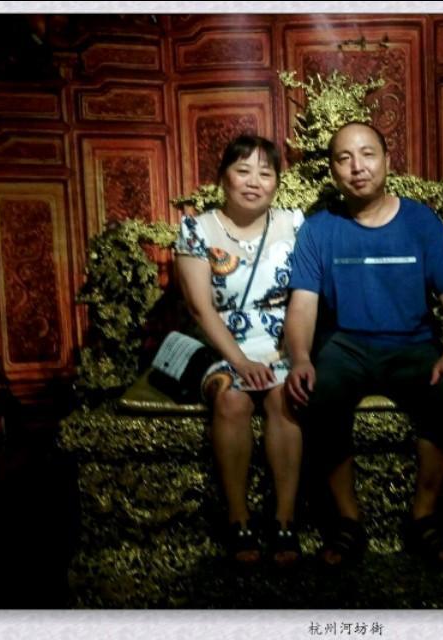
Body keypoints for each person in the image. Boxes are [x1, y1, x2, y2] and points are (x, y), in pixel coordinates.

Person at [284, 122, 443, 569]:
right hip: (346, 345)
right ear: (333, 170)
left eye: (367, 154)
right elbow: (303, 304)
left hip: (412, 343)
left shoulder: (420, 221)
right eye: (344, 158)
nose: (357, 167)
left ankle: (424, 516)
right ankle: (347, 520)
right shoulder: (319, 229)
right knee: (317, 394)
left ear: (387, 161)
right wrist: (301, 358)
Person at [174, 135, 304, 568]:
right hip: (222, 343)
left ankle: (285, 520)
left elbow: (307, 296)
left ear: (277, 182)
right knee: (231, 399)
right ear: (223, 177)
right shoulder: (197, 229)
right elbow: (200, 308)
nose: (254, 181)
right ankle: (238, 519)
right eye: (243, 170)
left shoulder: (295, 224)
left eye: (265, 173)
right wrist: (241, 361)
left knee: (285, 397)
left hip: (283, 341)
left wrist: (293, 351)